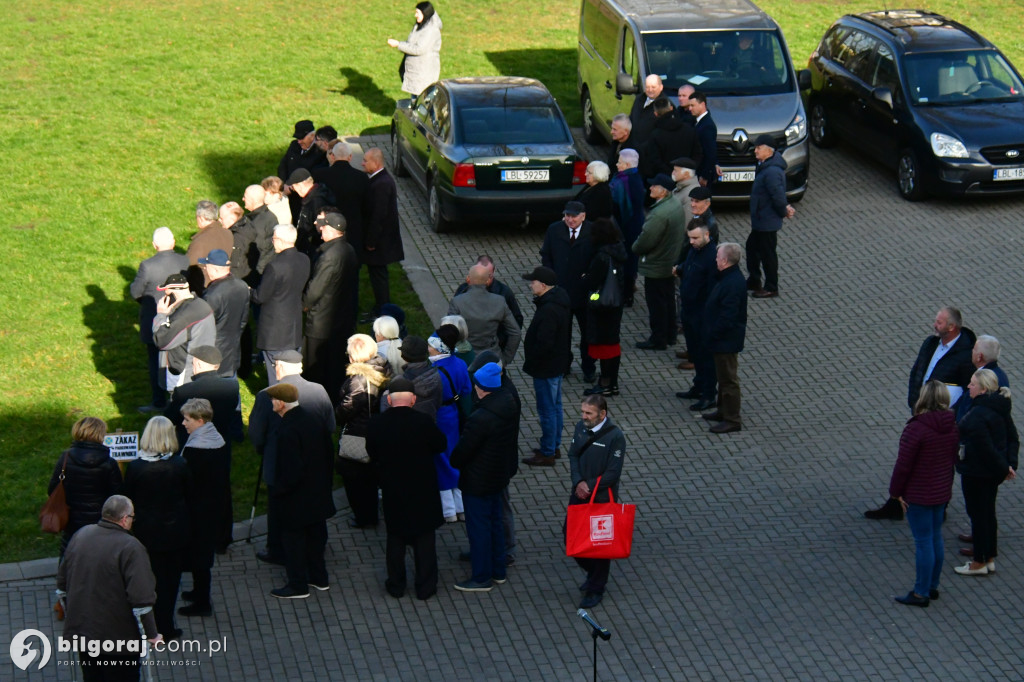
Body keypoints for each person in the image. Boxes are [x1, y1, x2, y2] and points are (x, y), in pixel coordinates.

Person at [866, 307, 976, 520]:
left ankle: (939, 506)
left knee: (941, 461)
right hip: (920, 413)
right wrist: (914, 401)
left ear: (952, 327)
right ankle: (897, 503)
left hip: (942, 420)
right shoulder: (930, 343)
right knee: (909, 455)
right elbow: (917, 371)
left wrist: (951, 415)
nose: (935, 325)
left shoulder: (965, 355)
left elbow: (968, 389)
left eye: (939, 322)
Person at [57, 495, 161, 678]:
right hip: (119, 642)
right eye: (132, 517)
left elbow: (62, 586)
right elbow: (141, 600)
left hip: (85, 636)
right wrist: (152, 634)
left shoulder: (81, 535)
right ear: (124, 519)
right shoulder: (131, 548)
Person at [249, 350, 335, 564]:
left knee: (279, 509)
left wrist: (262, 450)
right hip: (315, 464)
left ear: (280, 367)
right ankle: (316, 547)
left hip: (279, 465)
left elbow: (257, 434)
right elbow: (330, 426)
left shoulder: (266, 395)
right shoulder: (318, 391)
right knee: (314, 506)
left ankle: (278, 551)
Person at [367, 377, 448, 599]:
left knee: (395, 538)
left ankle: (396, 585)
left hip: (393, 489)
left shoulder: (376, 424)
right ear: (413, 399)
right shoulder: (423, 422)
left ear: (390, 400)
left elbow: (371, 452)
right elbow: (441, 444)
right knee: (424, 540)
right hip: (422, 490)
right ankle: (425, 587)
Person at [886, 380, 959, 607]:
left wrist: (895, 493)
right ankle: (932, 586)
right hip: (941, 491)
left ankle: (920, 593)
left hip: (919, 494)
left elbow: (903, 465)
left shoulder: (916, 429)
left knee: (923, 542)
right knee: (935, 537)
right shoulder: (953, 426)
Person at [450, 363, 521, 592]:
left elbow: (462, 452)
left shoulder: (481, 418)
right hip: (497, 475)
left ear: (482, 388)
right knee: (495, 524)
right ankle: (498, 570)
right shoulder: (508, 404)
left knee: (479, 529)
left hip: (478, 480)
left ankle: (481, 577)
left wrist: (455, 460)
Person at [264, 383, 335, 598]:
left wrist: (279, 490)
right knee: (315, 538)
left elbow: (291, 469)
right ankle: (319, 578)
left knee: (293, 542)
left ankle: (297, 585)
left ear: (281, 403)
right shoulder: (313, 419)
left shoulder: (287, 430)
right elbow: (328, 453)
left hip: (296, 498)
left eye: (273, 400)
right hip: (317, 492)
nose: (271, 404)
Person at [123, 416, 192, 637]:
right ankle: (165, 627)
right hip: (174, 533)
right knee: (170, 583)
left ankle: (143, 624)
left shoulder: (136, 467)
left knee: (146, 580)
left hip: (145, 533)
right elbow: (190, 495)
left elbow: (128, 497)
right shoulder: (179, 465)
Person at [954, 369, 1019, 576]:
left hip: (977, 473)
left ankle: (979, 561)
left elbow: (985, 448)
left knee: (978, 516)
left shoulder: (977, 415)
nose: (968, 387)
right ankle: (989, 556)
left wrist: (1005, 468)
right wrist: (1009, 465)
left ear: (983, 389)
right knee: (988, 514)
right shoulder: (1000, 407)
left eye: (972, 384)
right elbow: (1013, 438)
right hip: (992, 474)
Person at [567, 395, 626, 609]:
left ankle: (596, 588)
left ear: (602, 414)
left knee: (600, 546)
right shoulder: (580, 428)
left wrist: (588, 486)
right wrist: (578, 482)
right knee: (570, 537)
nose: (584, 416)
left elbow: (613, 473)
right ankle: (593, 574)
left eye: (588, 413)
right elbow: (573, 456)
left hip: (601, 499)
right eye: (582, 412)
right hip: (580, 493)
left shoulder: (615, 436)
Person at [177, 398, 230, 617]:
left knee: (200, 557)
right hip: (213, 507)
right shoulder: (216, 440)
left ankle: (202, 602)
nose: (183, 423)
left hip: (199, 511)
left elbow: (187, 482)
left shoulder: (196, 449)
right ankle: (198, 592)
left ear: (199, 420)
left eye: (187, 419)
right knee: (202, 555)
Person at [303, 211, 360, 402]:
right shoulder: (349, 250)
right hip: (342, 319)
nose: (321, 230)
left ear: (334, 230)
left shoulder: (329, 255)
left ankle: (316, 402)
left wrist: (305, 304)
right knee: (336, 364)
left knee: (316, 367)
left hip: (321, 321)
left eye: (324, 227)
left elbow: (315, 290)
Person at [132, 226, 188, 413]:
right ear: (173, 242)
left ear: (154, 245)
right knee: (180, 358)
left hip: (154, 320)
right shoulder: (184, 260)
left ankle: (158, 401)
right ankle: (182, 397)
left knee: (155, 361)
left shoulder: (147, 266)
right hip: (181, 318)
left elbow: (135, 292)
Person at [336, 334, 390, 529]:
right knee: (370, 476)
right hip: (378, 429)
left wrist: (337, 414)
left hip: (359, 433)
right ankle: (371, 513)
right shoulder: (383, 367)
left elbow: (346, 409)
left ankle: (364, 518)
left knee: (355, 480)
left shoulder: (359, 380)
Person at [520, 266, 572, 467]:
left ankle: (548, 451)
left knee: (547, 410)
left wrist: (533, 358)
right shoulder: (558, 301)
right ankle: (553, 445)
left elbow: (544, 343)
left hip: (546, 367)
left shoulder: (549, 309)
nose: (531, 285)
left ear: (542, 285)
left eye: (533, 282)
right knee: (555, 406)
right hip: (556, 364)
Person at [48, 417, 122, 557]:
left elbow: (52, 489)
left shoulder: (66, 458)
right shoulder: (109, 463)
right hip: (100, 522)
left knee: (69, 559)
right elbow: (117, 496)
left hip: (72, 521)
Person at [541, 201, 596, 379]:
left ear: (583, 216)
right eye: (567, 215)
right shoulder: (554, 230)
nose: (569, 219)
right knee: (562, 333)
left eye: (573, 216)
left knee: (588, 333)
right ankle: (564, 365)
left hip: (584, 293)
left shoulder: (592, 231)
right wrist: (551, 278)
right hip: (561, 291)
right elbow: (546, 255)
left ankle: (589, 367)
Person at [632, 174, 687, 351]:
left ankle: (658, 339)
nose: (650, 189)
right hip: (669, 261)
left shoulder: (659, 214)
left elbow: (646, 240)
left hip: (656, 264)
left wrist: (635, 248)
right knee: (668, 300)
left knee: (657, 305)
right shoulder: (674, 204)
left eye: (653, 186)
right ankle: (670, 334)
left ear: (662, 191)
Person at [254, 224, 310, 384]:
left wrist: (248, 290)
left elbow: (260, 296)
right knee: (292, 372)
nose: (272, 242)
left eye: (274, 239)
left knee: (276, 375)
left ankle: (276, 406)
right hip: (294, 327)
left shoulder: (274, 266)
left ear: (280, 240)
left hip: (275, 331)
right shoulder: (304, 260)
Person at [427, 325, 472, 522]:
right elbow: (466, 389)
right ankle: (461, 507)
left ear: (439, 347)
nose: (428, 346)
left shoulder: (433, 370)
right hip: (453, 415)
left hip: (438, 416)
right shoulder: (460, 364)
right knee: (453, 456)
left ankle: (447, 511)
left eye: (431, 344)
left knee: (441, 459)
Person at [673, 219, 718, 410]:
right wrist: (680, 269)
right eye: (690, 237)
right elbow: (689, 266)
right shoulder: (695, 250)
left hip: (702, 315)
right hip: (689, 312)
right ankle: (698, 386)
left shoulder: (712, 257)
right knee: (695, 354)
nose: (691, 241)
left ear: (707, 235)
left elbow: (712, 290)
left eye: (695, 238)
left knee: (706, 357)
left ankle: (709, 394)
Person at [702, 243, 747, 433]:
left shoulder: (732, 283)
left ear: (724, 260)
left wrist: (713, 334)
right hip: (722, 338)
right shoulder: (728, 277)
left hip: (726, 340)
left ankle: (732, 419)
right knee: (723, 376)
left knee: (728, 379)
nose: (715, 259)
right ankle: (722, 410)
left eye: (717, 256)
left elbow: (728, 317)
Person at [746, 134, 795, 299]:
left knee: (767, 254)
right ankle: (754, 280)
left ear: (769, 150)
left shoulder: (772, 171)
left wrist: (784, 210)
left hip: (766, 221)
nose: (755, 151)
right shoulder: (765, 165)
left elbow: (777, 195)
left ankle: (771, 287)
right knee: (752, 248)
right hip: (761, 219)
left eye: (759, 148)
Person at [582, 219, 627, 397]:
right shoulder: (618, 251)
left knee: (603, 346)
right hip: (615, 304)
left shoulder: (602, 256)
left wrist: (585, 277)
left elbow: (592, 281)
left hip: (601, 306)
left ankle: (605, 383)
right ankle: (612, 383)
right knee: (612, 345)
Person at [448, 264, 522, 368]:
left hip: (464, 359)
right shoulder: (499, 301)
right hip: (492, 358)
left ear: (468, 279)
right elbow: (516, 333)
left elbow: (448, 333)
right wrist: (505, 359)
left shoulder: (457, 302)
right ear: (488, 281)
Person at [152, 273, 216, 390]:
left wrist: (161, 315)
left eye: (165, 292)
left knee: (179, 405)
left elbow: (160, 341)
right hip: (200, 369)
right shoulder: (201, 304)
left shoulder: (182, 317)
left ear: (173, 292)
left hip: (182, 375)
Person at [362, 147, 404, 318]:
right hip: (382, 241)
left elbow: (378, 216)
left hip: (380, 243)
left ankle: (383, 310)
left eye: (366, 160)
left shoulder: (381, 184)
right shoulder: (380, 180)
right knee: (377, 276)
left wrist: (371, 241)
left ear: (376, 162)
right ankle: (381, 307)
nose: (362, 163)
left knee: (379, 277)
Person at [313, 142, 370, 259]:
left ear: (332, 156)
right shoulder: (361, 178)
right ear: (350, 157)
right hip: (353, 231)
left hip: (328, 229)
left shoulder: (319, 175)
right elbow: (367, 208)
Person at [199, 249, 250, 378]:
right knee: (231, 390)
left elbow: (203, 327)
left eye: (206, 267)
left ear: (216, 270)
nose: (204, 269)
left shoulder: (212, 295)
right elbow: (243, 321)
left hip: (214, 353)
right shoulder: (242, 286)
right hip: (233, 349)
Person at [452, 255, 525, 333]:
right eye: (480, 274)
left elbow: (517, 321)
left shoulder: (504, 292)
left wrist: (503, 341)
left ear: (493, 272)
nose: (484, 279)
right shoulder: (463, 289)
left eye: (488, 275)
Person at [609, 149, 645, 305]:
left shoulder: (623, 181)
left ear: (628, 164)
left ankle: (626, 294)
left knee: (627, 260)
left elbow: (622, 206)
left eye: (620, 162)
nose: (617, 164)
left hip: (626, 226)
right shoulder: (635, 176)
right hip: (635, 223)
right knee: (631, 259)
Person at [388, 1, 443, 102]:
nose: (415, 15)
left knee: (424, 102)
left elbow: (419, 49)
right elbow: (411, 43)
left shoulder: (431, 30)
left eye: (418, 13)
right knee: (416, 100)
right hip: (417, 72)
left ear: (425, 13)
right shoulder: (420, 26)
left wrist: (398, 45)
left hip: (424, 72)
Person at [640, 97, 702, 179]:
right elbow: (697, 154)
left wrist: (671, 173)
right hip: (687, 176)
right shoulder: (689, 130)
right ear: (671, 108)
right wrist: (688, 170)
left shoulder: (655, 135)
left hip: (664, 179)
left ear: (655, 113)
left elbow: (654, 160)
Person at [278, 120, 327, 224]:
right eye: (297, 138)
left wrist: (291, 188)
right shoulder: (293, 146)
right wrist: (283, 184)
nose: (299, 141)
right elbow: (283, 165)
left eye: (301, 138)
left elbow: (313, 177)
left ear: (312, 136)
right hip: (288, 196)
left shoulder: (320, 154)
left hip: (304, 201)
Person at [957, 335, 1010, 423]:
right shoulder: (1000, 374)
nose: (972, 351)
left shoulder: (985, 379)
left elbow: (969, 406)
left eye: (974, 349)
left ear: (979, 357)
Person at [185, 200, 232, 295]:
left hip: (203, 288)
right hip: (223, 284)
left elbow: (187, 265)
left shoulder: (200, 241)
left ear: (201, 218)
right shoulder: (228, 233)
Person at [396, 336, 444, 420]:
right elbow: (438, 402)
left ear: (403, 355)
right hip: (431, 422)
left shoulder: (401, 382)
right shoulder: (436, 375)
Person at [287, 168, 332, 256]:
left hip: (313, 250)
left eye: (293, 187)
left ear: (299, 186)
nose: (294, 190)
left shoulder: (316, 202)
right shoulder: (316, 195)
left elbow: (318, 230)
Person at [690, 91, 720, 187]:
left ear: (702, 104)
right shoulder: (700, 123)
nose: (690, 108)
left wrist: (704, 176)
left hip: (703, 174)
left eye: (692, 105)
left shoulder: (707, 126)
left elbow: (710, 153)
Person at [629, 74, 664, 148]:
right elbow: (631, 118)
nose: (650, 90)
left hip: (649, 150)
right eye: (647, 87)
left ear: (661, 87)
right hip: (633, 146)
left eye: (653, 87)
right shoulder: (639, 99)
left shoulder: (664, 105)